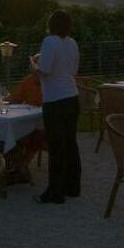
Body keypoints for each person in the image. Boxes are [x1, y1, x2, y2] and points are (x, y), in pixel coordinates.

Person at [31, 10, 80, 204]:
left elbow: (44, 70)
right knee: (70, 143)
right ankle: (72, 187)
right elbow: (73, 71)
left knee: (56, 146)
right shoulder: (72, 43)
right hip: (72, 97)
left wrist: (33, 65)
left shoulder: (49, 41)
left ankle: (55, 192)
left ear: (50, 25)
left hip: (55, 100)